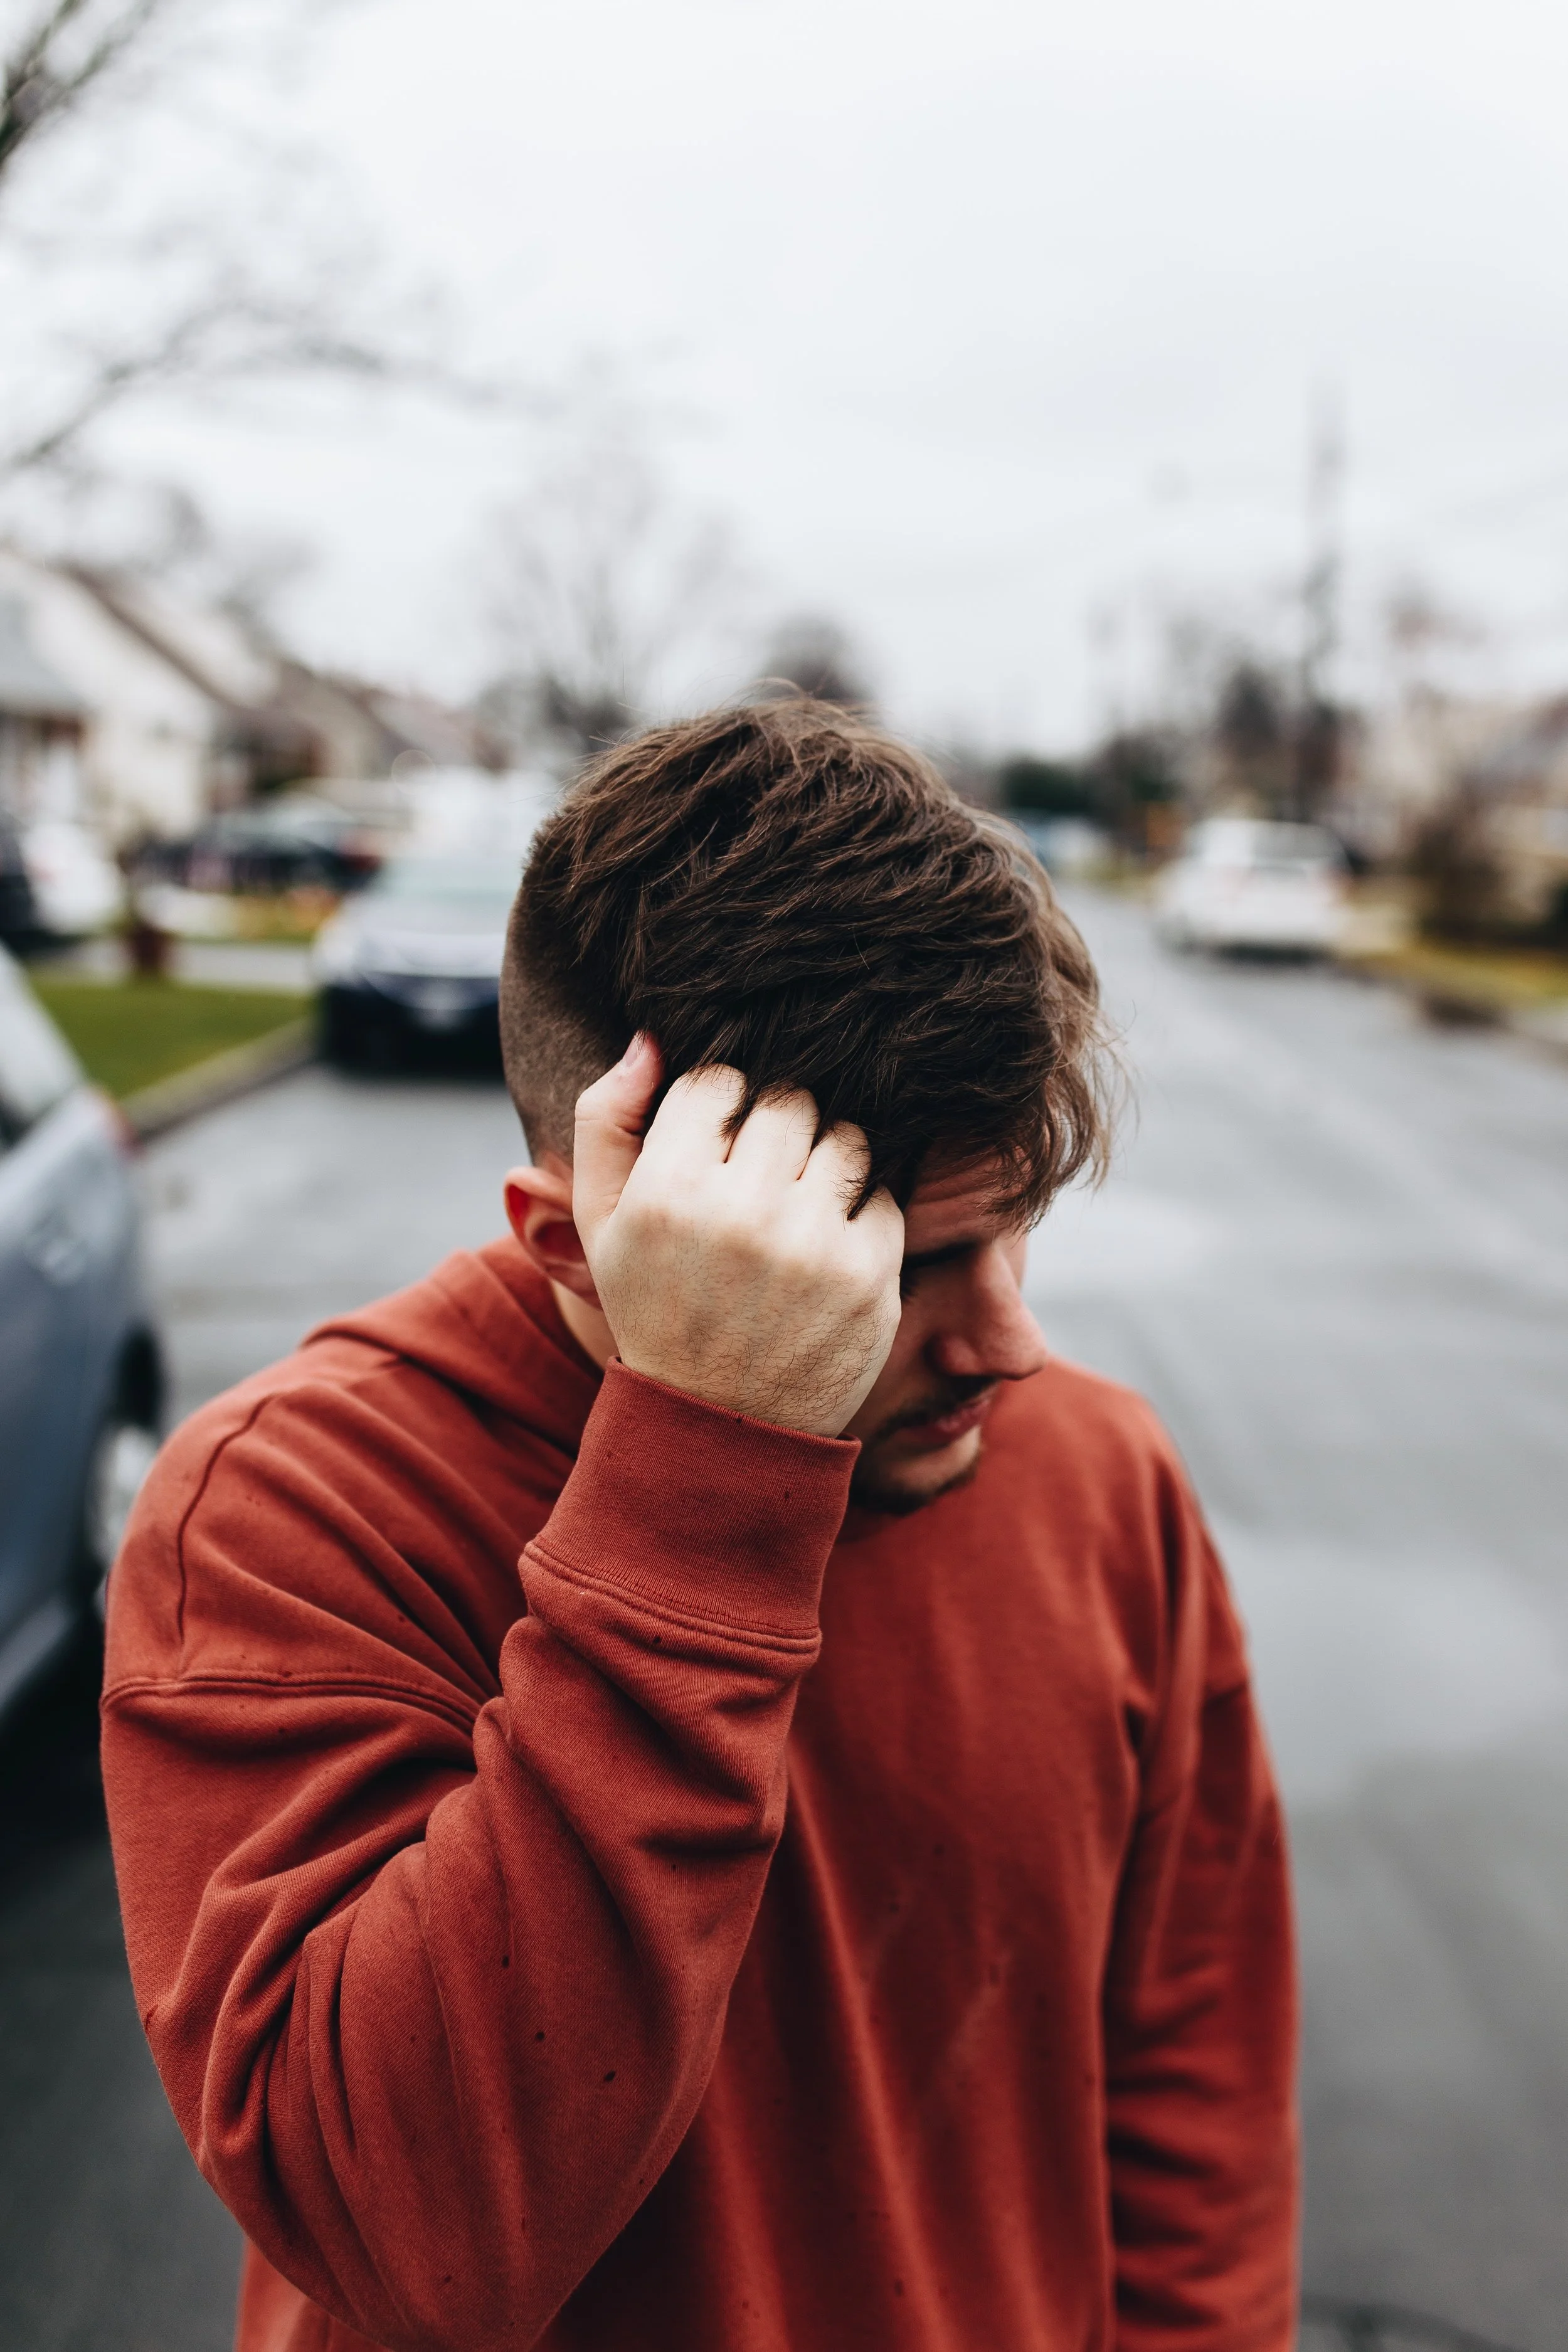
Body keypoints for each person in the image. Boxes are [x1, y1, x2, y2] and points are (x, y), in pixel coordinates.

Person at [102, 700, 1297, 2352]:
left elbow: (1193, 2079)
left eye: (1015, 1233)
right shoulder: (293, 1506)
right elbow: (423, 2237)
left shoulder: (1098, 1472)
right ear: (586, 1235)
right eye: (905, 1271)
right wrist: (707, 1470)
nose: (1010, 1341)